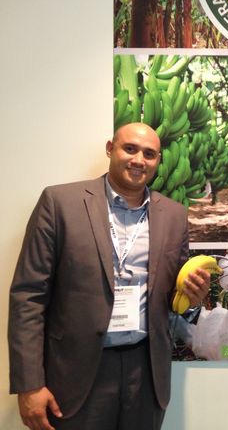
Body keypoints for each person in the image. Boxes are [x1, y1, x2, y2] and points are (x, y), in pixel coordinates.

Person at [8, 122, 211, 430]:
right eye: (130, 149)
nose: (139, 160)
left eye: (149, 154)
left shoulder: (174, 215)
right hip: (75, 369)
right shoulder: (60, 203)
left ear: (158, 160)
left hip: (146, 371)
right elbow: (28, 296)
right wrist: (29, 383)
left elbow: (174, 296)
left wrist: (192, 297)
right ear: (110, 149)